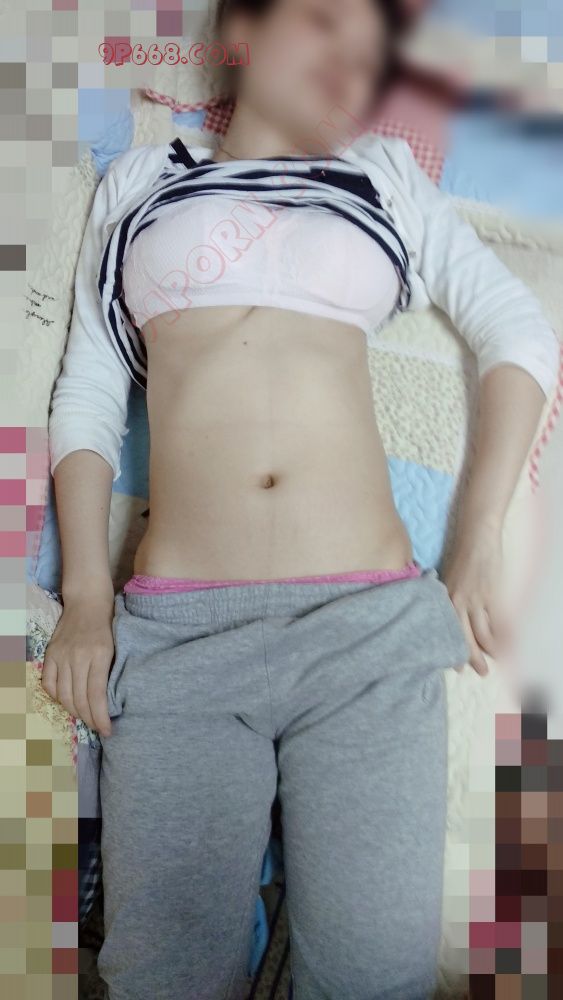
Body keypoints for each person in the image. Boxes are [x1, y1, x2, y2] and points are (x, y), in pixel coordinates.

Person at [43, 1, 559, 997]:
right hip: (181, 641)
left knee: (372, 977)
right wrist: (86, 599)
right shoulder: (143, 182)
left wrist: (475, 539)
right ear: (242, 30)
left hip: (365, 633)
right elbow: (90, 393)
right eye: (324, 23)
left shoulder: (383, 178)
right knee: (158, 976)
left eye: (370, 57)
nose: (350, 66)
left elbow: (517, 333)